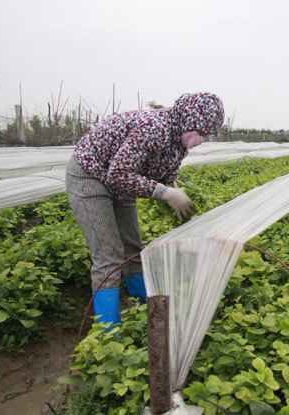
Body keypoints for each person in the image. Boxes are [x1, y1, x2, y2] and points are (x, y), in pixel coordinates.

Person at [66, 92, 224, 326]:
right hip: (90, 175)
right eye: (201, 133)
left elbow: (166, 173)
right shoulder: (154, 127)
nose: (201, 140)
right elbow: (118, 174)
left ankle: (146, 311)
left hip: (122, 183)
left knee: (132, 248)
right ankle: (108, 333)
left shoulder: (178, 142)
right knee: (108, 256)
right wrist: (166, 193)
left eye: (207, 135)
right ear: (189, 122)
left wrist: (176, 193)